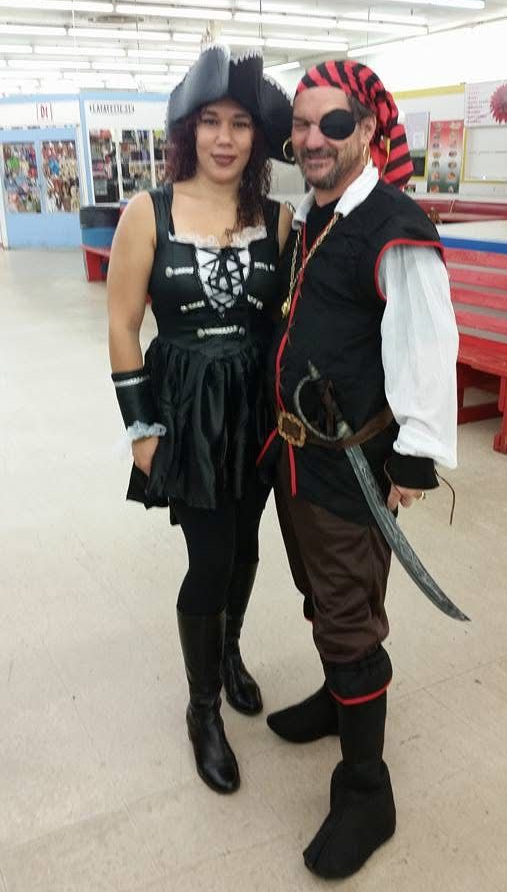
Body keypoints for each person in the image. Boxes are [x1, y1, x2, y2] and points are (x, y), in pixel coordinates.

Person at [258, 59, 458, 879]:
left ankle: (367, 789)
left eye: (332, 124)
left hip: (351, 468)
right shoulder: (316, 214)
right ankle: (339, 706)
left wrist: (414, 451)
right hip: (294, 461)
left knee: (349, 619)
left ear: (368, 130)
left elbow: (426, 342)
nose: (313, 139)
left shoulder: (393, 223)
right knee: (320, 595)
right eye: (302, 125)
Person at [107, 46, 292, 795]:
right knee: (209, 560)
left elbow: (289, 322)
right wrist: (142, 430)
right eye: (210, 121)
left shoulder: (278, 220)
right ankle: (203, 707)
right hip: (186, 415)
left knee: (247, 550)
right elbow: (122, 325)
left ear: (256, 136)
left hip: (259, 414)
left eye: (240, 123)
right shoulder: (146, 213)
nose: (225, 137)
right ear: (189, 130)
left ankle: (232, 650)